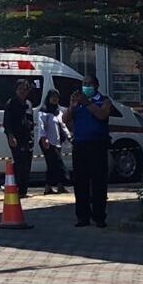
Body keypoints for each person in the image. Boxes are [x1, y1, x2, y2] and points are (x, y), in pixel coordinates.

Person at [64, 74, 113, 228]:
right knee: (80, 183)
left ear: (96, 85)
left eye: (89, 84)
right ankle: (82, 216)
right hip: (80, 145)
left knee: (98, 182)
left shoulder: (103, 100)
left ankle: (99, 216)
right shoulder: (78, 102)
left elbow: (102, 115)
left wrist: (87, 104)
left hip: (97, 145)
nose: (86, 86)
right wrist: (72, 105)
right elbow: (66, 119)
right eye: (84, 84)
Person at [2, 79, 36, 197]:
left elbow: (31, 122)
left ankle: (24, 191)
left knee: (27, 165)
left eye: (24, 89)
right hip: (16, 139)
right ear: (16, 90)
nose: (22, 91)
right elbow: (7, 122)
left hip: (28, 139)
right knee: (19, 164)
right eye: (20, 89)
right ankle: (17, 187)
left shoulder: (29, 104)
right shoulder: (11, 104)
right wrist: (10, 136)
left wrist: (32, 136)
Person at [36, 89, 70, 195]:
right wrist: (44, 138)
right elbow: (41, 126)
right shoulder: (44, 110)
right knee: (56, 164)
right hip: (47, 142)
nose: (55, 99)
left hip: (57, 142)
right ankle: (56, 185)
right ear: (48, 98)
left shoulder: (58, 112)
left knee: (53, 165)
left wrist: (69, 136)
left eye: (56, 97)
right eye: (52, 97)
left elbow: (63, 125)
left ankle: (54, 187)